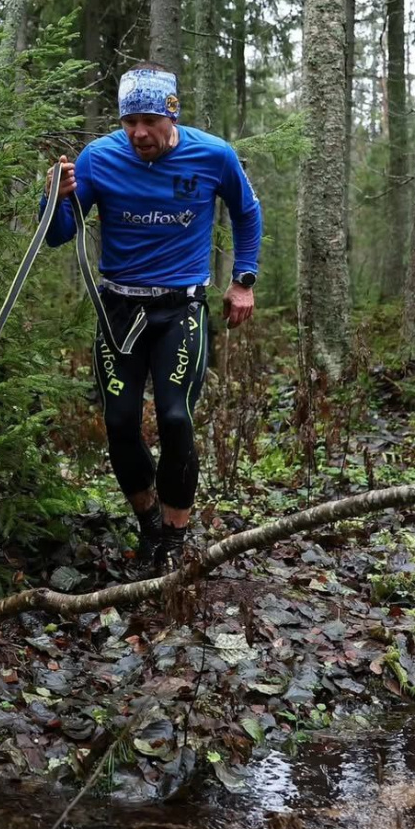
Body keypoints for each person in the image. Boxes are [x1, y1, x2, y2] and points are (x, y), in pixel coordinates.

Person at [42, 62, 262, 574]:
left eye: (148, 121)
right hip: (119, 308)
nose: (138, 133)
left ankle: (176, 536)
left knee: (175, 417)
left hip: (180, 308)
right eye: (128, 122)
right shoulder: (99, 159)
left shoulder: (213, 155)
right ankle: (148, 524)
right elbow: (57, 234)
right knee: (119, 422)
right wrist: (55, 195)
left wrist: (242, 280)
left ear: (171, 114)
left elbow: (247, 211)